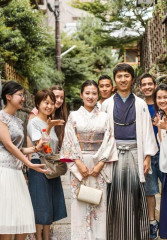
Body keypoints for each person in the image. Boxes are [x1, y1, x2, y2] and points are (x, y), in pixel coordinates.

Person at [102, 63, 158, 240]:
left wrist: (147, 156)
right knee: (115, 193)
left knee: (135, 194)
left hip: (136, 152)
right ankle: (115, 234)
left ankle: (136, 234)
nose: (123, 79)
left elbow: (148, 132)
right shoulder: (107, 104)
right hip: (114, 154)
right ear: (115, 80)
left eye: (126, 76)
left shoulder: (140, 103)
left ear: (132, 79)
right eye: (119, 76)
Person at [60, 80, 118, 240]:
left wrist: (100, 164)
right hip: (79, 165)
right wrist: (78, 163)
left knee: (98, 204)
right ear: (81, 95)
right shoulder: (74, 116)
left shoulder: (105, 117)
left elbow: (110, 140)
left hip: (99, 164)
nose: (90, 96)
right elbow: (69, 141)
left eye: (94, 93)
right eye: (87, 93)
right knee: (79, 203)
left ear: (97, 94)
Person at [0, 81, 49, 240]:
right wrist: (29, 164)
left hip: (16, 171)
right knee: (7, 219)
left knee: (23, 216)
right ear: (8, 97)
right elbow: (8, 145)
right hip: (4, 171)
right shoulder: (1, 117)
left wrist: (35, 149)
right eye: (20, 95)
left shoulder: (18, 120)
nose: (23, 98)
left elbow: (18, 149)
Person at [27, 89, 67, 240]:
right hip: (39, 165)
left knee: (49, 205)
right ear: (38, 103)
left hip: (50, 167)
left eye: (51, 103)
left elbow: (53, 149)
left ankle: (47, 237)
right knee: (40, 206)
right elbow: (44, 148)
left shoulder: (47, 121)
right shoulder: (34, 122)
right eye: (46, 102)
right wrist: (49, 127)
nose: (49, 106)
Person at [139, 73, 162, 239]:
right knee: (150, 190)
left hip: (164, 150)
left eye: (150, 84)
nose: (147, 87)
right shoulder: (139, 106)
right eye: (144, 84)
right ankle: (152, 222)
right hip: (148, 152)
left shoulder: (162, 103)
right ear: (140, 88)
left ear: (154, 85)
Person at [153, 83, 167, 239]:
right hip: (165, 167)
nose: (162, 100)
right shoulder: (161, 116)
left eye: (165, 97)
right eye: (159, 97)